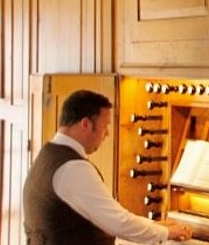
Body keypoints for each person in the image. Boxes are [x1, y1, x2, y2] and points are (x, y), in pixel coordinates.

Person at [24, 90, 193, 245]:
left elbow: (109, 220)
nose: (107, 134)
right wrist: (165, 233)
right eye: (105, 125)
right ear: (85, 124)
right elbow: (119, 223)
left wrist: (154, 225)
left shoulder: (49, 154)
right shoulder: (73, 168)